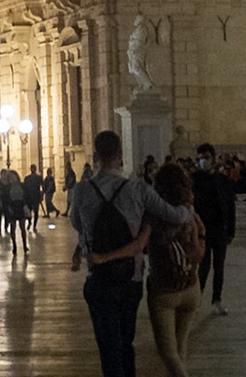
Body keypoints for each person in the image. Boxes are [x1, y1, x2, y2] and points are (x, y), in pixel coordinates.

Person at [70, 131, 192, 377]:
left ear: (95, 155)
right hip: (130, 277)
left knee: (108, 347)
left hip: (98, 275)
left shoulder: (82, 190)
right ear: (120, 154)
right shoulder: (137, 189)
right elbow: (175, 215)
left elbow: (77, 225)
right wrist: (189, 206)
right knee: (126, 342)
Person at [145, 162, 207, 377]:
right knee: (180, 349)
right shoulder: (190, 211)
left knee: (168, 352)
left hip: (164, 288)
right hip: (190, 284)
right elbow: (201, 233)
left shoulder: (154, 215)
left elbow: (142, 242)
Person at [189, 143, 236, 315]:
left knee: (219, 267)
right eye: (201, 158)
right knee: (203, 266)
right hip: (202, 230)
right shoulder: (194, 180)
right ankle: (197, 299)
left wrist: (231, 230)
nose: (204, 161)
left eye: (206, 157)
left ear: (213, 159)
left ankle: (217, 299)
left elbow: (230, 207)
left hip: (219, 229)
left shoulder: (223, 181)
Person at [24, 165, 44, 231]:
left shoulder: (37, 178)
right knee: (30, 212)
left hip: (35, 197)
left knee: (35, 213)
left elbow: (42, 187)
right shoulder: (28, 178)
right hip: (30, 197)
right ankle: (30, 223)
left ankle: (34, 225)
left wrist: (41, 195)